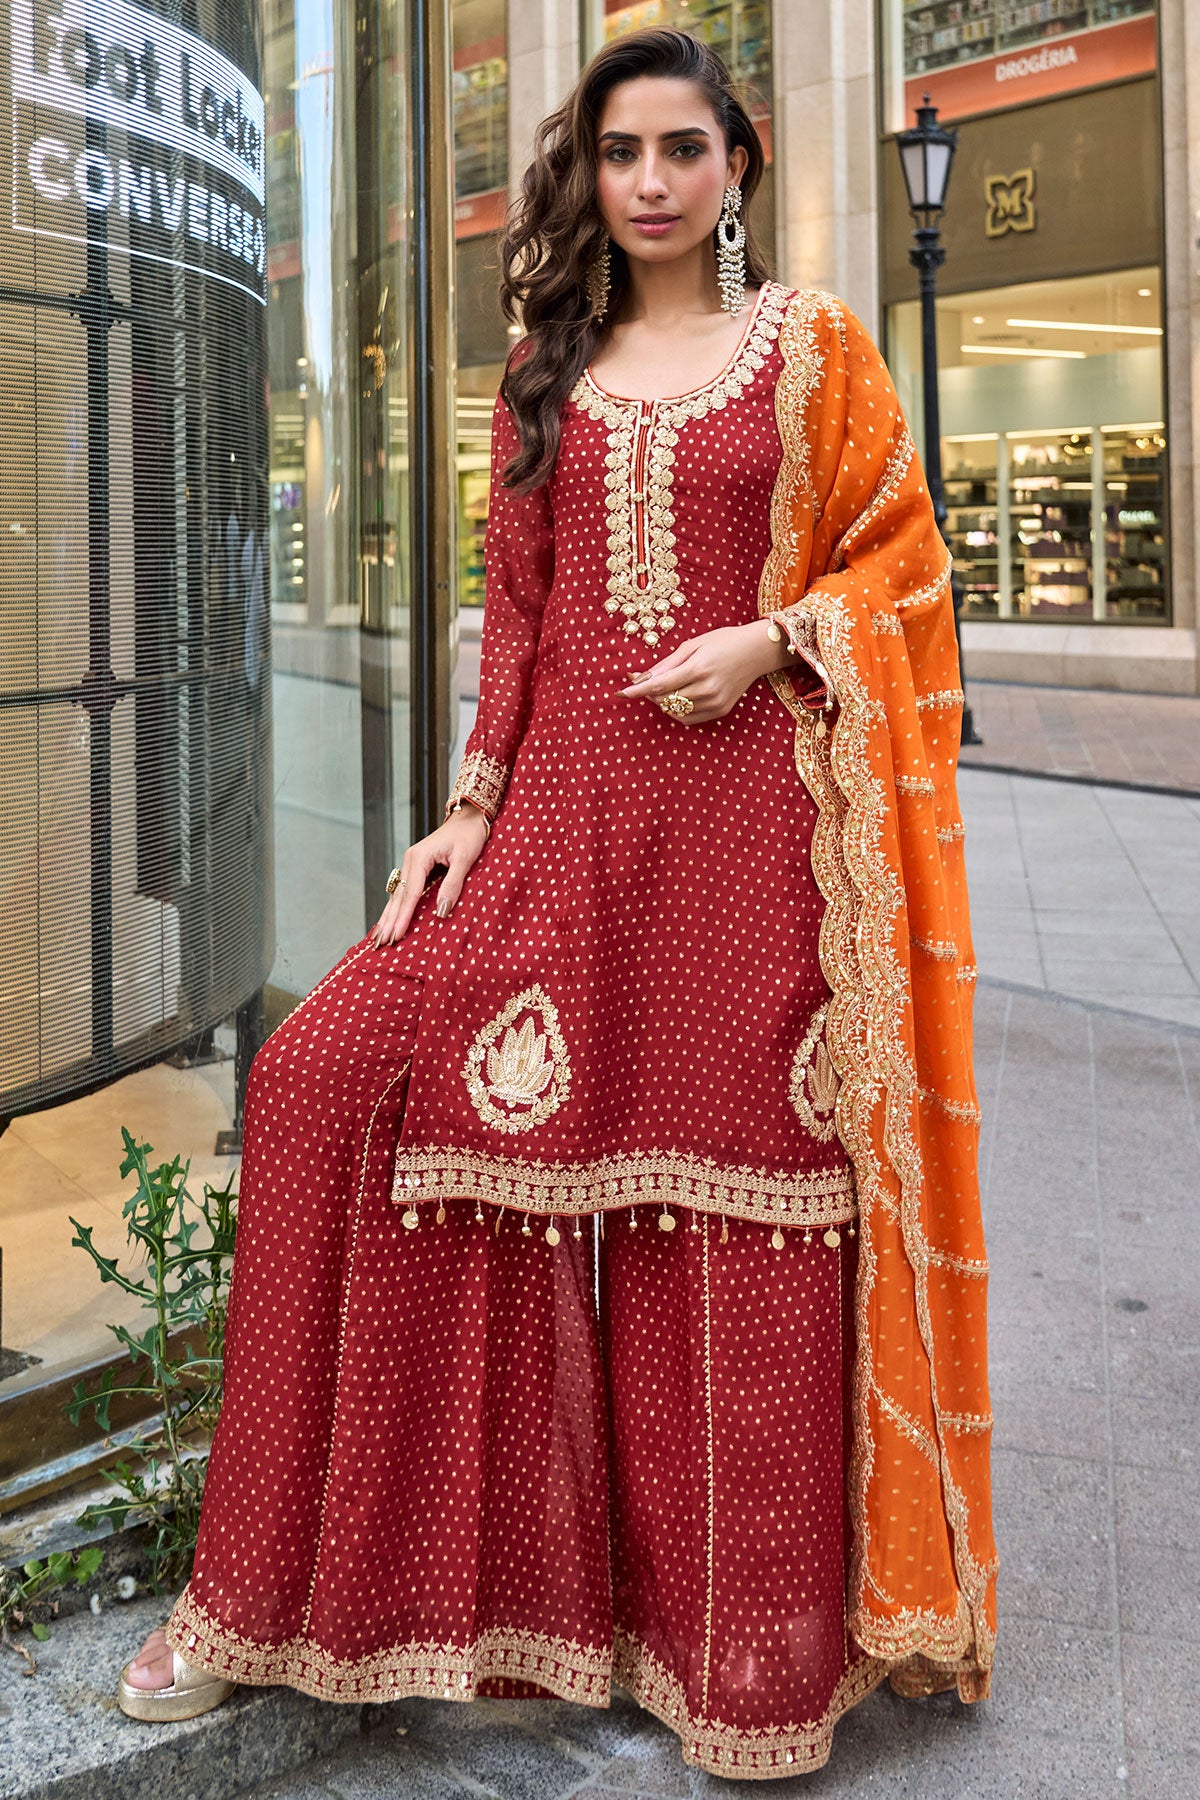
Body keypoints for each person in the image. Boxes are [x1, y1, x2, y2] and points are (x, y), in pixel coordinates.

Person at [117, 27, 996, 1779]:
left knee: (730, 1221)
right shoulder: (552, 362)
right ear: (588, 175)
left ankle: (733, 1665)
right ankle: (280, 1600)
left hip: (757, 850)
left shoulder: (815, 351)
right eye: (620, 154)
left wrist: (774, 634)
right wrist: (461, 815)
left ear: (738, 163)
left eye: (684, 149)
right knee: (321, 1089)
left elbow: (905, 572)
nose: (653, 182)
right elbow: (515, 623)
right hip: (560, 842)